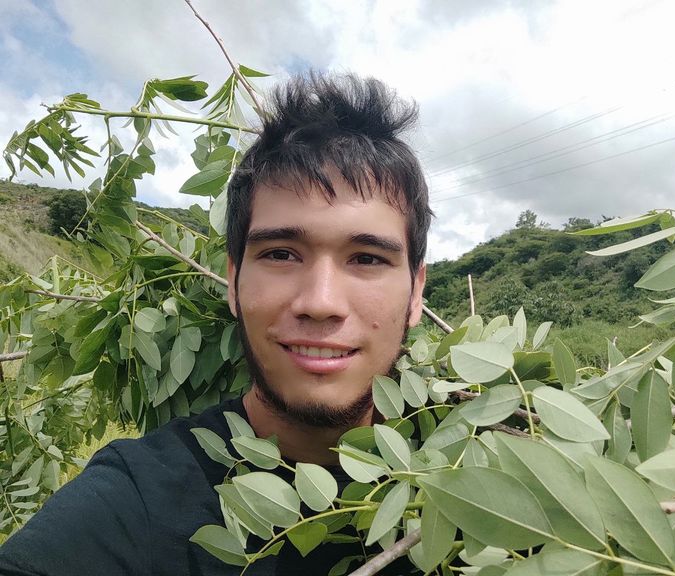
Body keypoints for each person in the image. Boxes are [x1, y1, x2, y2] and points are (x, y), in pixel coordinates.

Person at [0, 73, 432, 575]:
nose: (321, 302)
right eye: (281, 253)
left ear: (416, 292)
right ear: (233, 281)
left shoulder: (491, 467)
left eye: (367, 259)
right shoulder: (137, 502)